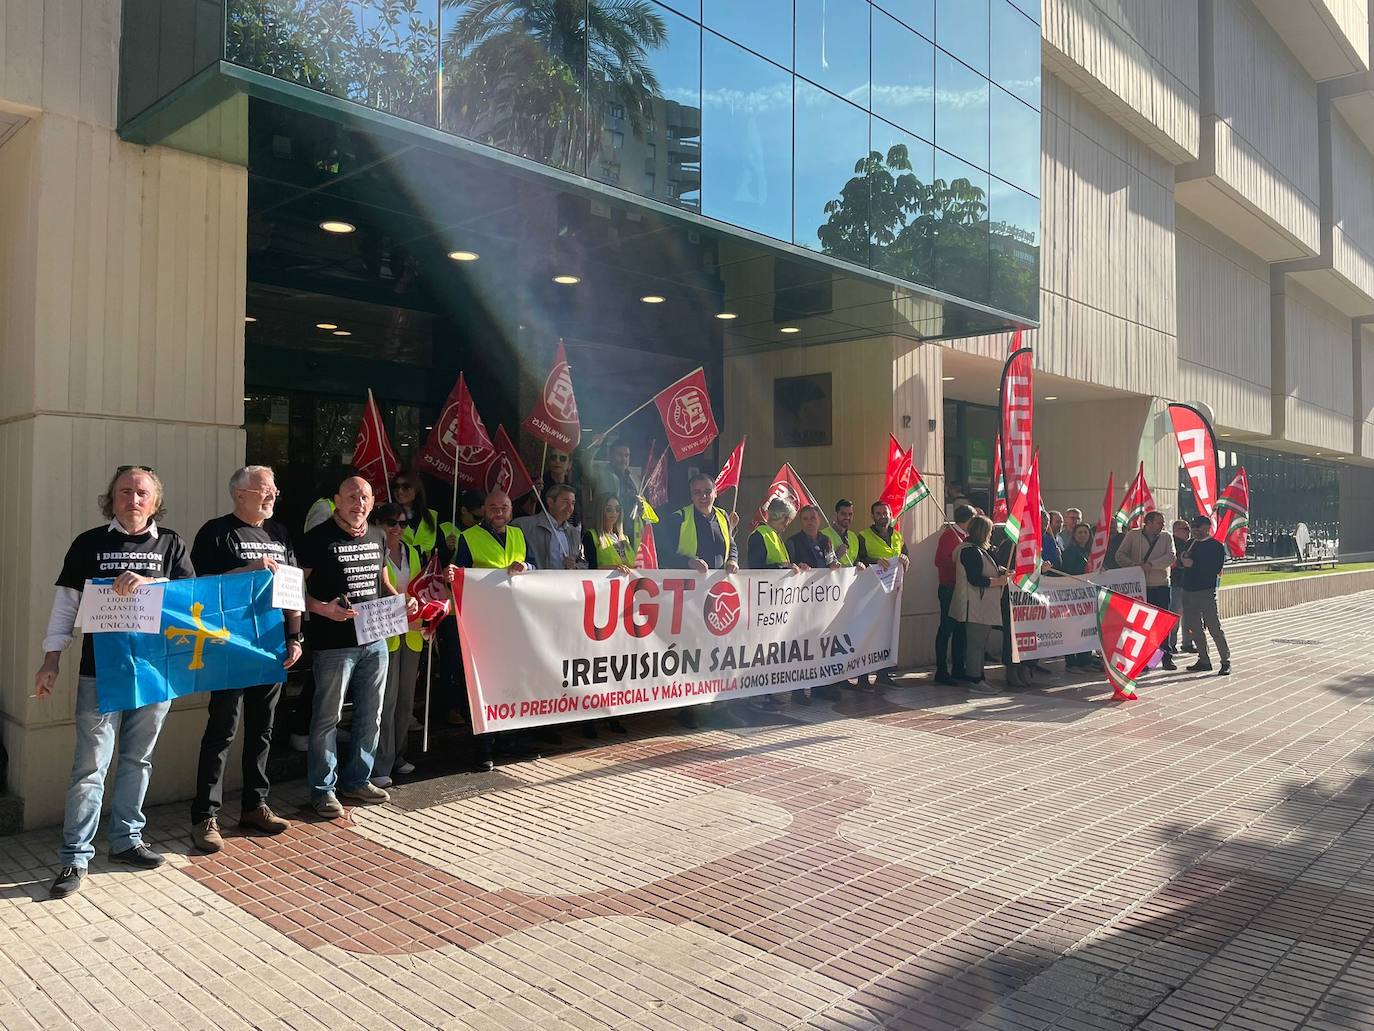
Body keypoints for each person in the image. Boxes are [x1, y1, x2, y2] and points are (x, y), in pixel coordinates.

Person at [36, 466, 196, 898]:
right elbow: (66, 606)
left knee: (138, 759)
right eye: (124, 491)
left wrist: (150, 585)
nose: (133, 499)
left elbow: (189, 603)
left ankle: (126, 840)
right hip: (100, 672)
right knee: (90, 767)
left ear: (155, 500)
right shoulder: (90, 543)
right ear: (111, 498)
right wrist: (51, 660)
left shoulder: (171, 544)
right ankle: (75, 857)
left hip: (154, 670)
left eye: (142, 492)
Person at [188, 465, 301, 854]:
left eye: (273, 489)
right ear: (240, 494)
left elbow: (291, 587)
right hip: (230, 646)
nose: (272, 495)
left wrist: (295, 635)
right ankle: (205, 815)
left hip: (270, 645)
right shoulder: (216, 532)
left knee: (263, 730)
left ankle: (254, 806)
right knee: (222, 730)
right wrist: (247, 570)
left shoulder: (280, 533)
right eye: (264, 489)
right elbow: (198, 589)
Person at [299, 474, 415, 817]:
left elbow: (381, 581)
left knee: (371, 714)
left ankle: (358, 780)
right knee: (327, 719)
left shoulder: (378, 535)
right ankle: (323, 790)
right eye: (351, 496)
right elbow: (292, 591)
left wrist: (401, 601)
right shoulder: (316, 539)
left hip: (375, 639)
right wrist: (323, 608)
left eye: (364, 497)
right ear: (337, 499)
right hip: (333, 644)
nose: (358, 503)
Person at [454, 490, 537, 767]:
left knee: (514, 682)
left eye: (504, 507)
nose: (499, 512)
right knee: (484, 685)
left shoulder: (519, 535)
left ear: (511, 510)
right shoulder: (468, 538)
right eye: (493, 507)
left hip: (515, 621)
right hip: (483, 624)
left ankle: (510, 741)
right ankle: (484, 747)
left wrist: (525, 565)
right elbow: (459, 576)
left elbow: (537, 567)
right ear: (483, 509)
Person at [661, 474, 739, 726]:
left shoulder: (723, 517)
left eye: (707, 491)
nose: (703, 496)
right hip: (689, 597)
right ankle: (689, 708)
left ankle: (721, 704)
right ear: (690, 495)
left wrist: (733, 560)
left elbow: (732, 545)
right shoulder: (678, 518)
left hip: (718, 595)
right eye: (697, 492)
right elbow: (662, 552)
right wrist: (688, 562)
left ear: (716, 492)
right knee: (691, 652)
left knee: (720, 650)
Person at [371, 503, 429, 788]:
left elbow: (421, 588)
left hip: (412, 633)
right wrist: (400, 602)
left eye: (403, 523)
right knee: (386, 700)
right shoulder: (373, 552)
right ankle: (381, 763)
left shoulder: (414, 552)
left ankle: (398, 755)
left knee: (406, 700)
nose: (397, 528)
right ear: (379, 523)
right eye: (391, 522)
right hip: (386, 635)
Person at [786, 505, 841, 704]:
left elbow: (831, 560)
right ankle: (798, 691)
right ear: (801, 522)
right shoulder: (792, 542)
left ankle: (820, 688)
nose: (810, 522)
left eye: (813, 518)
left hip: (822, 603)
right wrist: (796, 567)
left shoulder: (826, 541)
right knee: (801, 648)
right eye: (806, 519)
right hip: (800, 606)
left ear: (819, 520)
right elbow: (786, 566)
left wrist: (835, 565)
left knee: (821, 646)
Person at [951, 515, 1007, 693]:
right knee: (975, 644)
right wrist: (999, 582)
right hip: (974, 604)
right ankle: (974, 679)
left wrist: (1003, 572)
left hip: (983, 604)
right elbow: (975, 579)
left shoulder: (980, 550)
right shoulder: (969, 551)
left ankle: (980, 676)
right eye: (990, 531)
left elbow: (989, 568)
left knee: (980, 643)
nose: (991, 535)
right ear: (983, 532)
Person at [1115, 511, 1178, 670]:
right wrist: (1135, 568)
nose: (1162, 525)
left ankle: (1165, 657)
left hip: (1161, 585)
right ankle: (1144, 660)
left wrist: (1151, 565)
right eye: (1159, 522)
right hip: (1141, 588)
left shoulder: (1166, 537)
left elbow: (1171, 557)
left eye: (1162, 522)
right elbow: (1120, 555)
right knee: (1141, 625)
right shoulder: (1133, 535)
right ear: (1148, 523)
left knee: (1162, 624)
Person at [856, 500, 909, 687]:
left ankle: (883, 674)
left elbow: (905, 556)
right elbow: (859, 560)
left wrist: (904, 558)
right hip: (869, 595)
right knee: (867, 635)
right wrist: (876, 560)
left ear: (890, 514)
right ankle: (862, 678)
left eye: (885, 513)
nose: (882, 516)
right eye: (878, 513)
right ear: (872, 516)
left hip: (891, 595)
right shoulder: (863, 536)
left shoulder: (898, 536)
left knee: (887, 635)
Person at [1180, 515, 1231, 675]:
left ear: (1207, 528)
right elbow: (1182, 563)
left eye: (1198, 529)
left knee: (1214, 627)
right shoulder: (1190, 544)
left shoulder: (1215, 546)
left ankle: (1225, 661)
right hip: (1188, 591)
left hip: (1205, 592)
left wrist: (1193, 564)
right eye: (1193, 529)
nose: (1195, 532)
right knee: (1194, 628)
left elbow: (1214, 569)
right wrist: (1182, 561)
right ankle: (1203, 659)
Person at [933, 504, 975, 686]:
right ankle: (941, 671)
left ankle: (959, 668)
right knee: (947, 629)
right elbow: (939, 560)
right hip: (949, 587)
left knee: (961, 630)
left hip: (962, 589)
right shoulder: (950, 535)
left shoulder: (966, 537)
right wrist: (959, 562)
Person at [1057, 522, 1100, 672]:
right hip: (1073, 597)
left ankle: (1085, 660)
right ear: (1074, 535)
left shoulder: (1089, 552)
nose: (1083, 535)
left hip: (1087, 597)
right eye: (1080, 532)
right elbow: (1069, 572)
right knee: (1072, 630)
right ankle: (1071, 663)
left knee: (1086, 629)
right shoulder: (1070, 551)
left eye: (1086, 533)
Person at [515, 483, 586, 572]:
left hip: (566, 584)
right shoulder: (523, 525)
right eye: (565, 502)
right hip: (535, 584)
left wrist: (575, 566)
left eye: (573, 503)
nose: (570, 507)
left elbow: (584, 564)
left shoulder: (574, 532)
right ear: (550, 502)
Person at [392, 471, 456, 564]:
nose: (400, 491)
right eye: (396, 487)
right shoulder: (388, 516)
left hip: (425, 574)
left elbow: (439, 557)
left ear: (416, 489)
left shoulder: (431, 516)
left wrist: (448, 548)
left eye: (406, 487)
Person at [584, 496, 635, 574]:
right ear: (600, 511)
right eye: (609, 509)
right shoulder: (591, 536)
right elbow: (589, 569)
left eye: (617, 509)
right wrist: (614, 569)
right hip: (604, 584)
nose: (614, 513)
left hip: (628, 584)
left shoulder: (625, 538)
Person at [748, 498, 799, 572]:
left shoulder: (775, 536)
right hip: (766, 583)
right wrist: (782, 567)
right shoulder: (759, 535)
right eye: (789, 519)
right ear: (783, 517)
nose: (788, 523)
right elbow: (755, 569)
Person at [1169, 518, 1196, 653]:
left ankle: (1187, 642)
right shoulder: (1173, 543)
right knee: (1175, 613)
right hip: (1176, 583)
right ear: (1176, 530)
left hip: (1188, 583)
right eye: (1185, 529)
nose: (1188, 531)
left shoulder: (1189, 543)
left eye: (1189, 529)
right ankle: (1171, 643)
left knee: (1189, 614)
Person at [821, 499, 863, 569]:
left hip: (849, 577)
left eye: (850, 514)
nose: (847, 517)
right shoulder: (823, 535)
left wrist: (860, 565)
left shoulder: (853, 537)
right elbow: (818, 564)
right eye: (843, 514)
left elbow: (855, 561)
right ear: (835, 514)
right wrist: (836, 555)